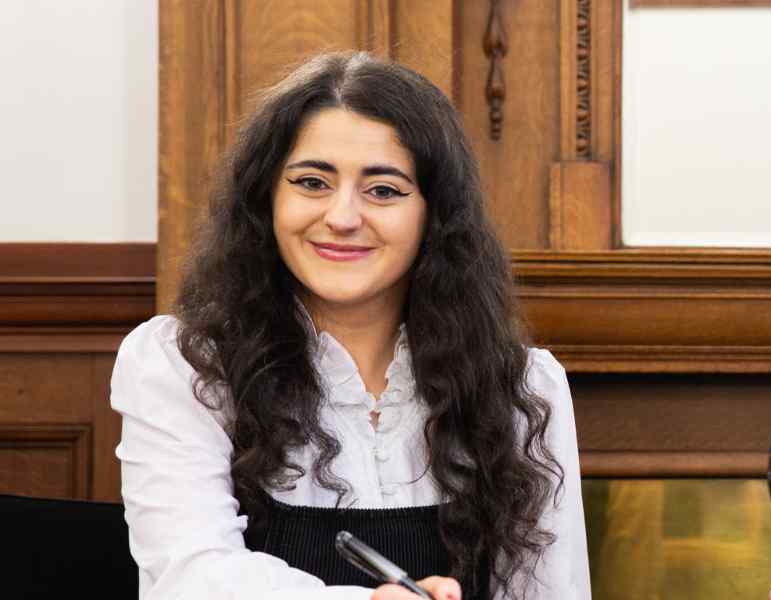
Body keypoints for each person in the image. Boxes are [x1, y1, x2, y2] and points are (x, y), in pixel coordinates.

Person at [112, 52, 590, 600]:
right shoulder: (183, 365)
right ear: (267, 198)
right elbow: (190, 579)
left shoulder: (525, 386)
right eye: (312, 182)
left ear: (434, 215)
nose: (341, 217)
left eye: (383, 190)